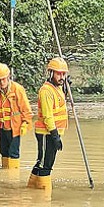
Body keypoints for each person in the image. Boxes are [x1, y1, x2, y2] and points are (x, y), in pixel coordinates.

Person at [0, 63, 32, 169]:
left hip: (15, 128)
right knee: (3, 151)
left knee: (13, 153)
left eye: (3, 79)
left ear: (8, 77)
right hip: (2, 127)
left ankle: (13, 177)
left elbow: (26, 110)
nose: (1, 82)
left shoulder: (17, 89)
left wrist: (25, 123)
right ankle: (5, 174)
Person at [27, 57, 69, 190]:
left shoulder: (58, 88)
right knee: (46, 164)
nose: (61, 77)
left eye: (63, 74)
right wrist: (55, 135)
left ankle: (32, 187)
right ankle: (44, 194)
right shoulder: (46, 91)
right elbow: (47, 115)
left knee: (43, 161)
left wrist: (67, 91)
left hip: (52, 132)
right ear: (51, 73)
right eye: (58, 73)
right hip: (47, 132)